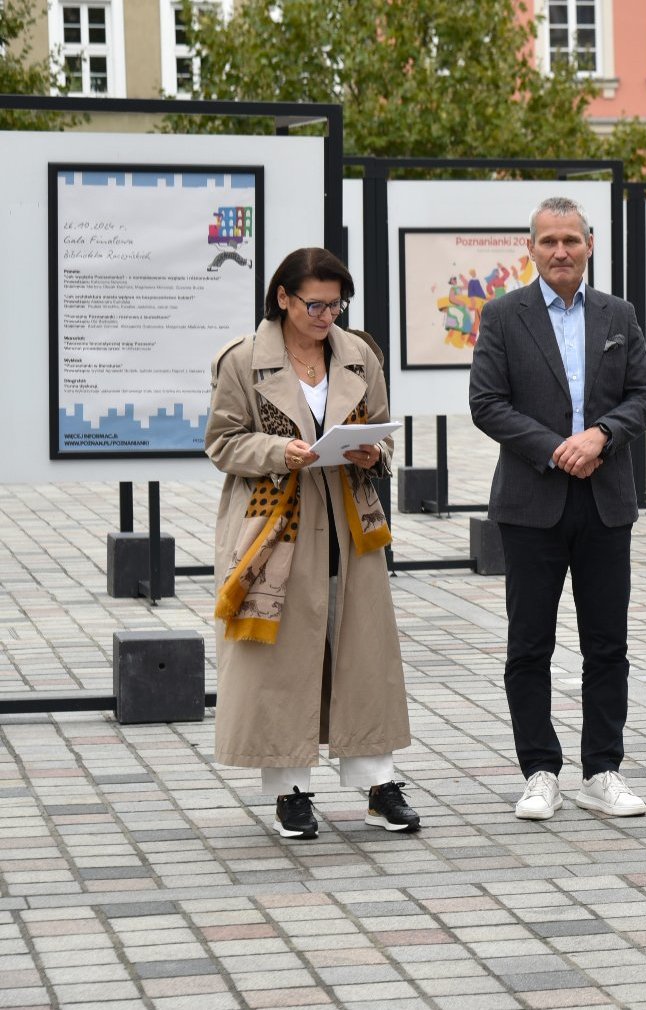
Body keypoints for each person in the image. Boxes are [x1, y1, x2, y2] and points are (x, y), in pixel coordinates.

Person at [205, 247, 420, 841]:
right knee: (282, 658)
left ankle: (380, 784)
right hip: (273, 525)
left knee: (363, 654)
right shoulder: (242, 361)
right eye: (315, 304)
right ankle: (290, 792)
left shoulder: (360, 354)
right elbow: (222, 443)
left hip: (353, 523)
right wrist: (280, 452)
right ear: (283, 298)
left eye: (336, 304)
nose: (327, 315)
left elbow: (382, 430)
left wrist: (374, 452)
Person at [470, 196, 646, 822]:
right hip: (532, 502)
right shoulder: (502, 315)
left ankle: (602, 768)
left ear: (589, 245)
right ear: (530, 248)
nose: (560, 251)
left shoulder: (618, 314)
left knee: (607, 644)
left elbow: (644, 396)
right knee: (530, 645)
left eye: (571, 241)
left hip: (607, 501)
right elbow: (488, 404)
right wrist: (557, 449)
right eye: (548, 241)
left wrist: (602, 435)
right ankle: (539, 771)